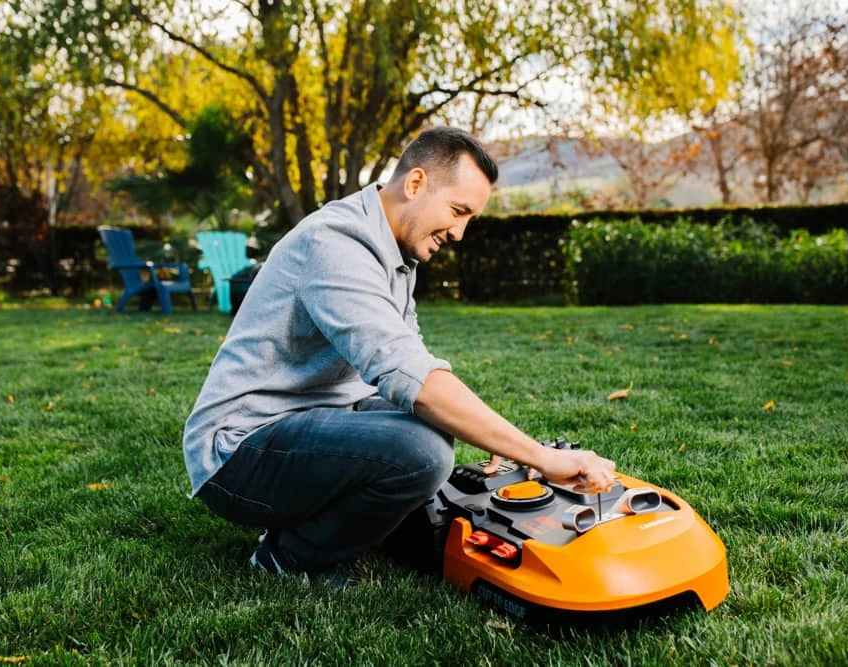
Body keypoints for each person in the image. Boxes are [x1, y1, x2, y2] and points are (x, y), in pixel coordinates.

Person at [183, 127, 616, 580]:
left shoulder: (395, 252)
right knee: (421, 450)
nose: (460, 233)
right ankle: (287, 558)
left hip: (311, 418)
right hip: (238, 454)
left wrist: (493, 441)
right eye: (458, 211)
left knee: (430, 431)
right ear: (415, 184)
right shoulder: (335, 244)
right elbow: (410, 378)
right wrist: (541, 456)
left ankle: (336, 520)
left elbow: (414, 367)